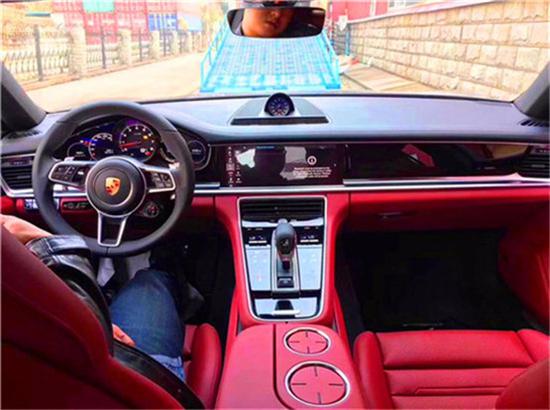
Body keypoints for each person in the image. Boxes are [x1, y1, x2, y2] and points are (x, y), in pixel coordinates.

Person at [0, 214, 186, 381]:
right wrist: (44, 241)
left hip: (55, 379)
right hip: (130, 384)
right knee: (150, 283)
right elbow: (86, 339)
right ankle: (168, 267)